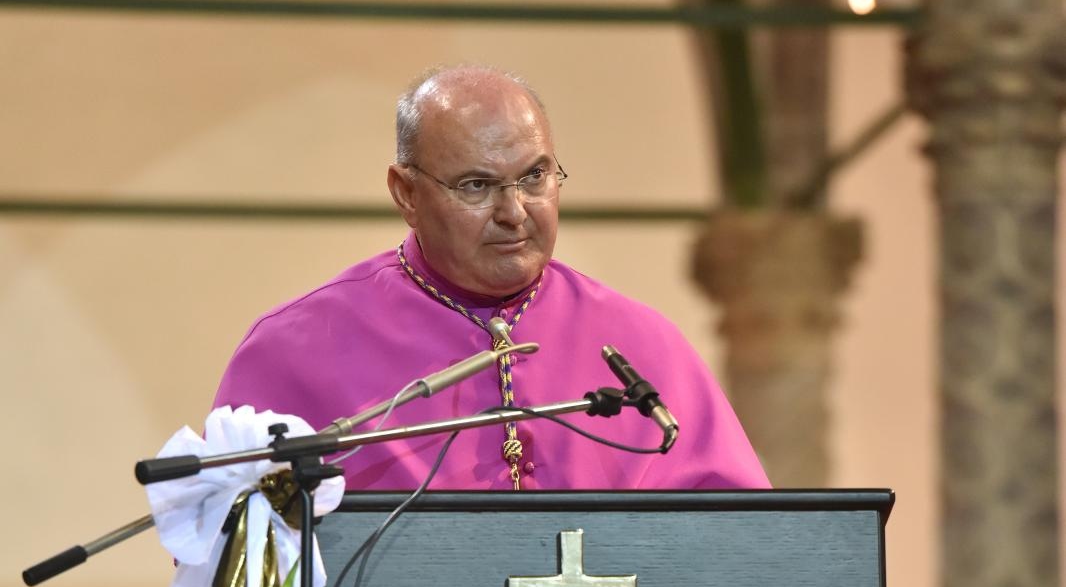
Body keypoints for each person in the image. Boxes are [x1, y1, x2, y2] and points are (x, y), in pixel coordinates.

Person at [214, 66, 769, 494]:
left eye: (535, 176)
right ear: (405, 193)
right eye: (476, 186)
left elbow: (743, 542)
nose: (515, 211)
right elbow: (237, 557)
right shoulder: (296, 351)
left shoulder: (645, 345)